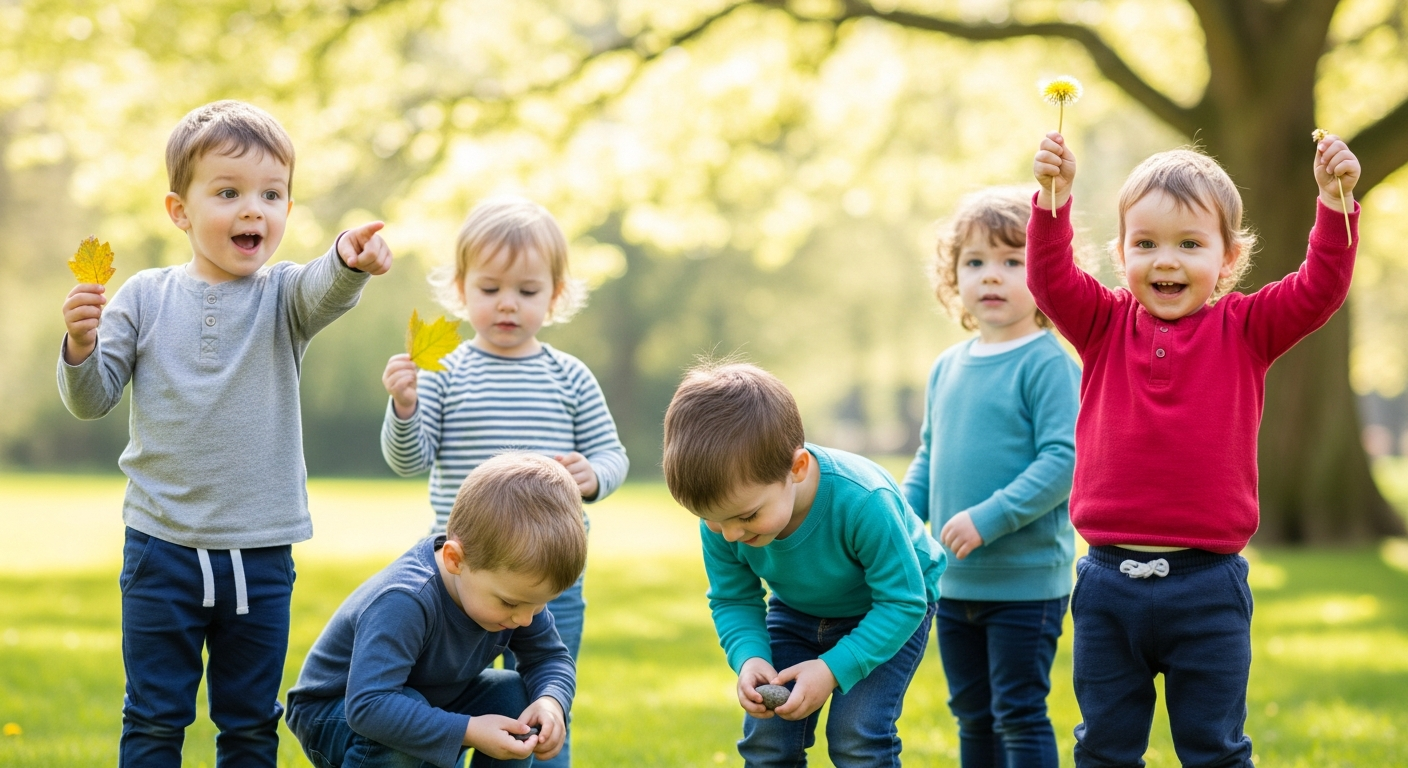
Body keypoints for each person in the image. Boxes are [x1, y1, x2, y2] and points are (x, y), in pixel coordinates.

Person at [56, 100, 393, 767]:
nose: (253, 210)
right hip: (160, 548)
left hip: (260, 554)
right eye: (229, 193)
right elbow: (91, 400)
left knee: (247, 724)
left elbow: (323, 288)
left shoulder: (282, 298)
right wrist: (77, 344)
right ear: (180, 211)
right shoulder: (143, 298)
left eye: (272, 195)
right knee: (153, 718)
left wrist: (348, 260)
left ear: (288, 211)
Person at [1030, 131, 1361, 767]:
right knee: (1103, 746)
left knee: (1214, 748)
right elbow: (1049, 280)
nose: (1166, 261)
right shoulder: (1101, 324)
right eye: (1146, 244)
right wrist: (1053, 201)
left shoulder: (1247, 329)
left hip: (1207, 588)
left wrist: (1335, 206)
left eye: (1190, 244)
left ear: (1228, 258)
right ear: (1121, 252)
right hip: (1107, 585)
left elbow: (1319, 289)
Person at [379, 196, 627, 767]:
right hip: (464, 576)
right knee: (449, 692)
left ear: (555, 295)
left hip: (548, 575)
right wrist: (405, 406)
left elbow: (611, 453)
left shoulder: (570, 377)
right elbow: (410, 460)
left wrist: (594, 476)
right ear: (461, 289)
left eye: (527, 291)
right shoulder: (445, 373)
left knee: (544, 696)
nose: (507, 304)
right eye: (490, 290)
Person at [661, 361, 945, 767]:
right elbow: (733, 599)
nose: (731, 534)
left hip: (888, 609)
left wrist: (831, 669)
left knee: (857, 735)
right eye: (712, 520)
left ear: (796, 469)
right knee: (768, 738)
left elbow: (903, 601)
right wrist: (750, 657)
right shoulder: (725, 518)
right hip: (797, 608)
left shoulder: (863, 500)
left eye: (746, 517)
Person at [901, 186, 1080, 768]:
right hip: (954, 584)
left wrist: (990, 517)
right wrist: (900, 519)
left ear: (1046, 273)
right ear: (954, 277)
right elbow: (931, 455)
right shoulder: (947, 367)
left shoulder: (1047, 362)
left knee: (1019, 712)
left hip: (1025, 585)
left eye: (1012, 261)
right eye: (975, 262)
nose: (992, 277)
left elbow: (1063, 461)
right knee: (971, 715)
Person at [286, 452, 585, 768]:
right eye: (510, 604)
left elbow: (549, 657)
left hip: (423, 701)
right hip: (336, 713)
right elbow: (369, 705)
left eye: (538, 605)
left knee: (512, 694)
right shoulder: (406, 600)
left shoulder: (509, 591)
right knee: (404, 715)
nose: (525, 619)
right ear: (455, 559)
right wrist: (468, 730)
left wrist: (551, 702)